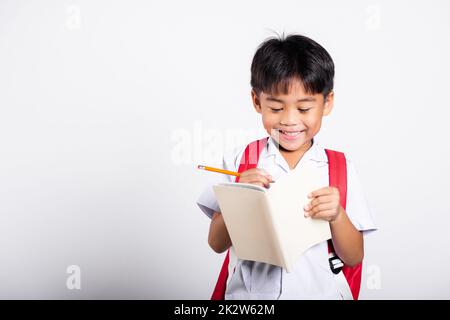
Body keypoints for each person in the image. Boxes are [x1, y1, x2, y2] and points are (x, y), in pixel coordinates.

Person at [196, 33, 377, 299]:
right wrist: (240, 199)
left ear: (327, 103)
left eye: (304, 109)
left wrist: (337, 215)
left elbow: (353, 257)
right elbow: (216, 244)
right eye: (276, 108)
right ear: (257, 102)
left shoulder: (339, 168)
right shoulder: (241, 160)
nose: (290, 120)